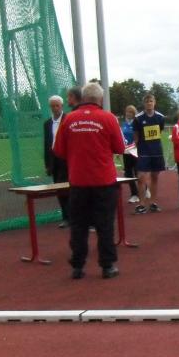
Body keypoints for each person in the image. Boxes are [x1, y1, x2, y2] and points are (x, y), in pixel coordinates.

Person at [52, 82, 125, 279]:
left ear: (83, 98)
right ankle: (107, 266)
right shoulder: (108, 118)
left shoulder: (69, 119)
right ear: (100, 99)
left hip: (78, 181)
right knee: (105, 224)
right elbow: (120, 147)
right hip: (104, 181)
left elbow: (58, 150)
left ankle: (77, 266)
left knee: (78, 225)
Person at [132, 93, 165, 214]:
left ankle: (153, 203)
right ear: (144, 104)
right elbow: (136, 135)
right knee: (141, 177)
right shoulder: (138, 118)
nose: (149, 103)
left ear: (154, 102)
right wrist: (137, 147)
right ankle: (141, 204)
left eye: (151, 101)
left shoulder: (160, 117)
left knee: (155, 177)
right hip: (144, 151)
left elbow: (160, 131)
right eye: (147, 101)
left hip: (156, 151)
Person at [43, 95, 70, 227]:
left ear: (61, 106)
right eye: (52, 106)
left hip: (67, 159)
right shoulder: (47, 124)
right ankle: (66, 217)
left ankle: (75, 216)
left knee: (71, 189)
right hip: (54, 160)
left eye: (57, 105)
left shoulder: (69, 120)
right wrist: (47, 164)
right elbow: (46, 144)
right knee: (59, 190)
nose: (55, 108)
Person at [120, 105, 139, 203]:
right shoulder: (123, 124)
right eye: (127, 111)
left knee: (137, 172)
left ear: (134, 113)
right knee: (128, 173)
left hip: (135, 151)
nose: (128, 114)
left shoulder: (136, 123)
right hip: (126, 151)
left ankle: (144, 188)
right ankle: (134, 194)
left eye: (131, 112)